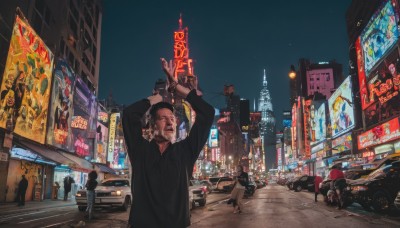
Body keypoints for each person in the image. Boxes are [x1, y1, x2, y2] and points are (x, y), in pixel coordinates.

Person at [122, 58, 214, 228]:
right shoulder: (140, 150)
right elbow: (128, 116)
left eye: (172, 119)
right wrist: (153, 99)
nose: (171, 123)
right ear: (152, 125)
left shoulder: (185, 152)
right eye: (164, 119)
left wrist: (177, 87)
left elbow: (207, 114)